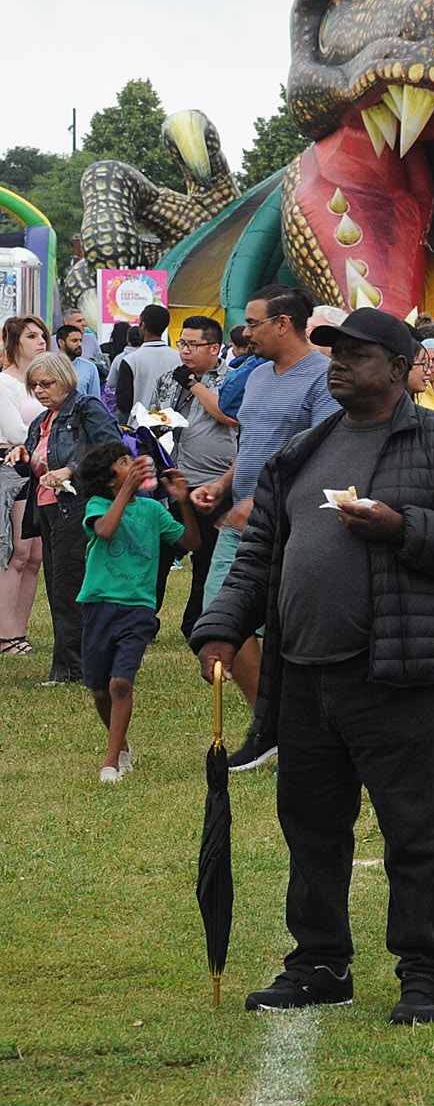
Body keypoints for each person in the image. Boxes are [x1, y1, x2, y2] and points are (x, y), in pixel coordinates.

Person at [193, 307, 434, 1027]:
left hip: (396, 672)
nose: (337, 364)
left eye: (357, 355)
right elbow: (260, 556)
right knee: (310, 826)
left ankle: (425, 973)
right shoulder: (305, 449)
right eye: (333, 353)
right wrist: (220, 628)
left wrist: (401, 526)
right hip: (304, 672)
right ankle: (319, 963)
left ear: (397, 370)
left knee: (416, 832)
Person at [198, 286, 339, 755]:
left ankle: (285, 728)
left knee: (287, 629)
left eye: (254, 323)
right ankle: (271, 724)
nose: (246, 332)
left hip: (290, 523)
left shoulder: (323, 378)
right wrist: (224, 483)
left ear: (283, 323)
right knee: (219, 619)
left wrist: (262, 501)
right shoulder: (256, 375)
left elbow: (321, 455)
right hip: (241, 523)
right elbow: (257, 444)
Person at [77, 441, 198, 781]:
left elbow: (190, 543)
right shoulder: (99, 504)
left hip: (139, 607)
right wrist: (127, 491)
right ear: (107, 476)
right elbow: (105, 530)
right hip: (99, 603)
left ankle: (111, 760)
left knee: (120, 684)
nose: (133, 464)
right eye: (123, 461)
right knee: (100, 689)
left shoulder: (152, 511)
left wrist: (183, 502)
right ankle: (122, 744)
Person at [20, 352, 124, 687]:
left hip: (76, 508)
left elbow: (112, 446)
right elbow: (35, 464)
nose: (39, 390)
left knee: (71, 588)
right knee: (58, 589)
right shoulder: (42, 421)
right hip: (48, 510)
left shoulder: (86, 408)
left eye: (46, 383)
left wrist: (71, 469)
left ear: (65, 380)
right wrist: (23, 457)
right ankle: (65, 666)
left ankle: (79, 667)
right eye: (34, 385)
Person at [151, 315, 238, 640]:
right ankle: (145, 623)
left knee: (206, 558)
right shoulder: (169, 378)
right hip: (174, 479)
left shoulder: (231, 378)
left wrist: (192, 384)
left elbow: (228, 415)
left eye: (193, 344)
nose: (185, 351)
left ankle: (197, 625)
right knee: (158, 553)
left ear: (214, 348)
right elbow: (157, 413)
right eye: (181, 344)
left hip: (214, 482)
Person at [2, 316, 50, 659]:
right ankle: (6, 635)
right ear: (15, 342)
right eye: (32, 336)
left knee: (35, 556)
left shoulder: (40, 383)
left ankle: (20, 629)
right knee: (17, 555)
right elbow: (17, 433)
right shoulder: (5, 383)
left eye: (43, 335)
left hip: (40, 471)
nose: (41, 341)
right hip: (15, 469)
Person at [107, 303, 181, 418]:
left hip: (139, 427)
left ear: (143, 325)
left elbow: (124, 404)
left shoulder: (130, 360)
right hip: (172, 424)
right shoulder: (179, 358)